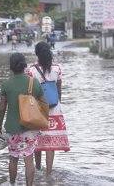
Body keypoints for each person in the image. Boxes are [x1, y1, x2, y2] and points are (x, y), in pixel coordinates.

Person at [0, 53, 44, 186]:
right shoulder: (34, 82)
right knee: (29, 159)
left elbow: (2, 108)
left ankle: (12, 184)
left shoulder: (6, 85)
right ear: (24, 65)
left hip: (12, 128)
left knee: (13, 158)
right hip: (30, 128)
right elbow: (44, 103)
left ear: (11, 67)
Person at [27, 42, 70, 175]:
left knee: (37, 141)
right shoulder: (57, 68)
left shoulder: (32, 70)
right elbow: (59, 89)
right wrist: (58, 104)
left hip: (38, 110)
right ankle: (49, 173)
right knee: (50, 143)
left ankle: (38, 169)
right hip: (55, 110)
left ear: (37, 54)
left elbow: (30, 92)